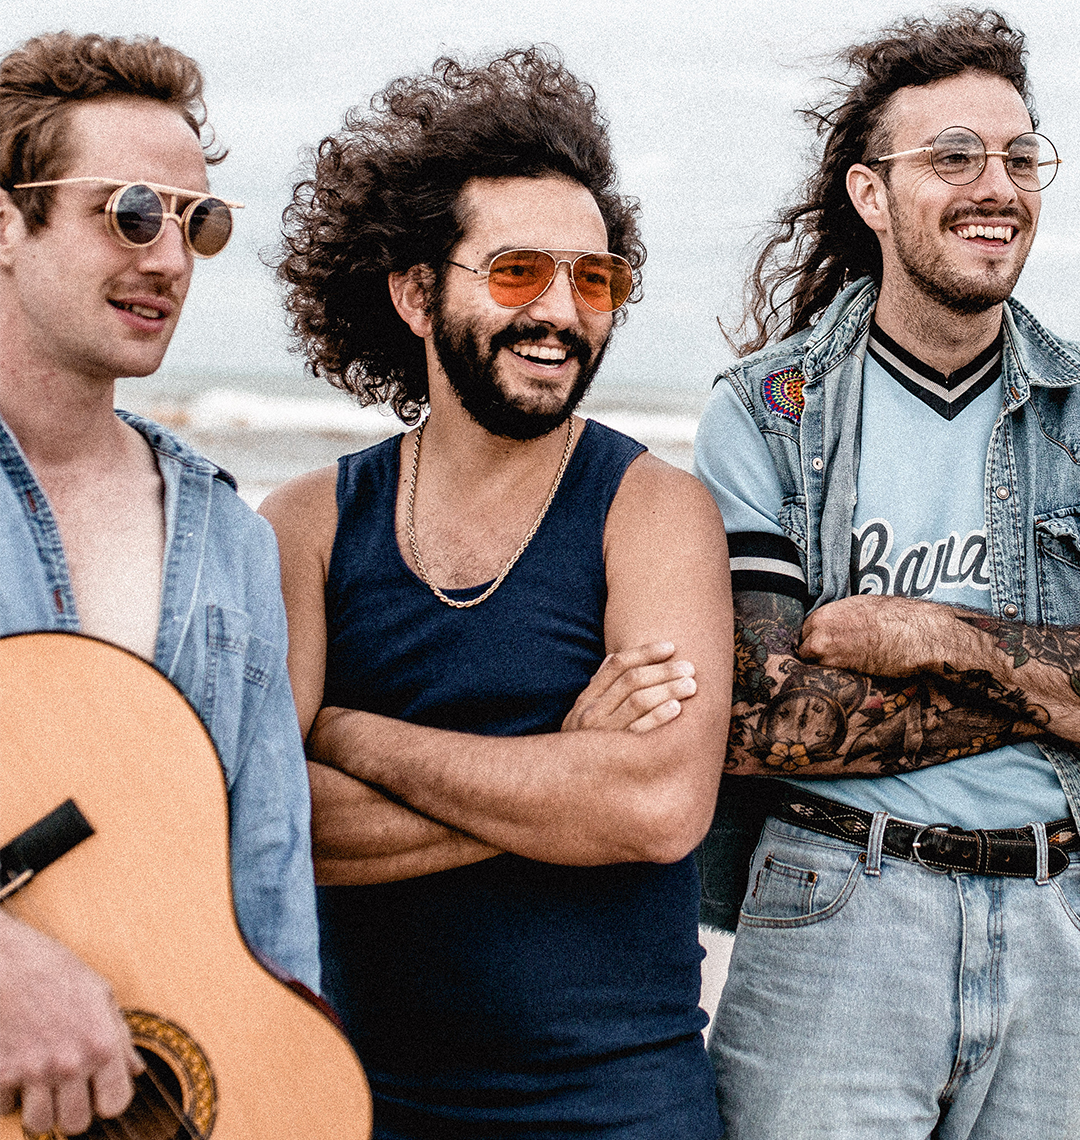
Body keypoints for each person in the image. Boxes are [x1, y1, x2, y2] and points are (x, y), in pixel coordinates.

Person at [260, 47, 732, 1140]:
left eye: (594, 278)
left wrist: (349, 738)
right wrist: (562, 774)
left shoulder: (654, 510)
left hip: (622, 1106)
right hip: (353, 1098)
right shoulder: (302, 527)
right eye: (518, 271)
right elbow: (270, 832)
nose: (562, 312)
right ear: (417, 292)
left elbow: (654, 807)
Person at [693, 8, 1080, 1137]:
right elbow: (766, 717)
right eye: (953, 155)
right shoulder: (768, 414)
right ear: (873, 195)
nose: (994, 185)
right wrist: (1044, 693)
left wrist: (936, 637)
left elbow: (837, 691)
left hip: (1062, 918)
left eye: (1018, 156)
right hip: (838, 909)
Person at [0, 32, 318, 1138]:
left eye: (198, 223)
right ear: (5, 219)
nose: (171, 259)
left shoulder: (232, 538)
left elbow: (268, 902)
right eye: (132, 211)